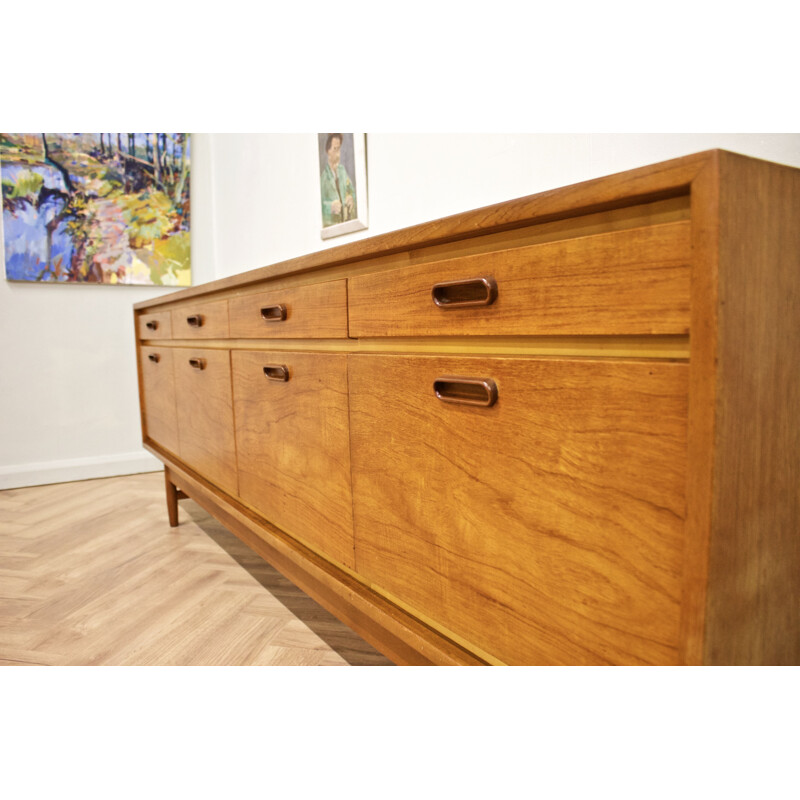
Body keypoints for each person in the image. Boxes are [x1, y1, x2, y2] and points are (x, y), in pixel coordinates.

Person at [320, 133, 356, 226]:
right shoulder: (323, 178)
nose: (338, 154)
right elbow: (319, 206)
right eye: (335, 149)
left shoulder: (342, 171)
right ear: (328, 151)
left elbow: (352, 192)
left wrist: (351, 198)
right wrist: (330, 208)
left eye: (339, 149)